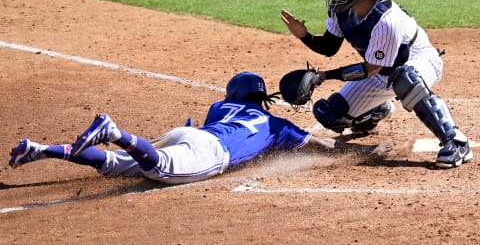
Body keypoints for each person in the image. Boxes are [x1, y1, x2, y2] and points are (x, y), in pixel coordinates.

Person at [280, 0, 473, 169]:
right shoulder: (341, 8)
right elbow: (329, 47)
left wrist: (323, 76)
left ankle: (456, 142)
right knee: (330, 114)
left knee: (405, 79)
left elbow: (369, 69)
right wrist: (303, 35)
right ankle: (373, 112)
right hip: (381, 73)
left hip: (418, 61)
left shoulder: (386, 20)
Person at [9, 71, 332, 184]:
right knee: (158, 169)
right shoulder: (278, 124)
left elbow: (214, 129)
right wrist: (354, 152)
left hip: (190, 135)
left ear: (233, 94)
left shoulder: (219, 107)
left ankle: (41, 149)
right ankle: (114, 133)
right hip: (210, 151)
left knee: (114, 165)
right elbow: (320, 147)